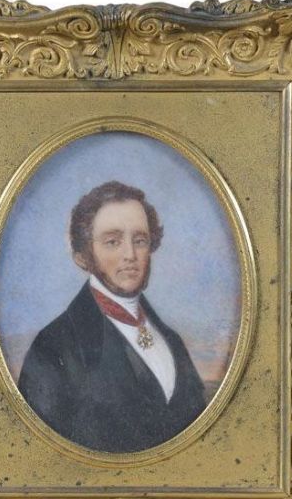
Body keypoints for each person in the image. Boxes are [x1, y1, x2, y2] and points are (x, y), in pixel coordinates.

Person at [18, 181, 207, 452]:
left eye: (140, 240)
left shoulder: (172, 341)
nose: (130, 255)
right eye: (112, 242)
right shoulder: (53, 347)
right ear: (83, 256)